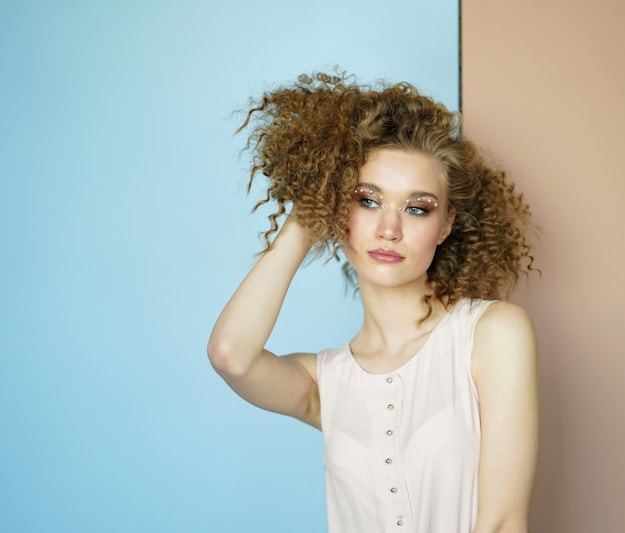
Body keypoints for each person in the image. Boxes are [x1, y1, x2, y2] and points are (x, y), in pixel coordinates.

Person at [208, 72, 539, 533]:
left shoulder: (493, 333)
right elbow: (231, 357)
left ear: (445, 226)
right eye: (367, 201)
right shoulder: (326, 382)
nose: (389, 229)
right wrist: (312, 211)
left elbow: (503, 522)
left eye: (417, 208)